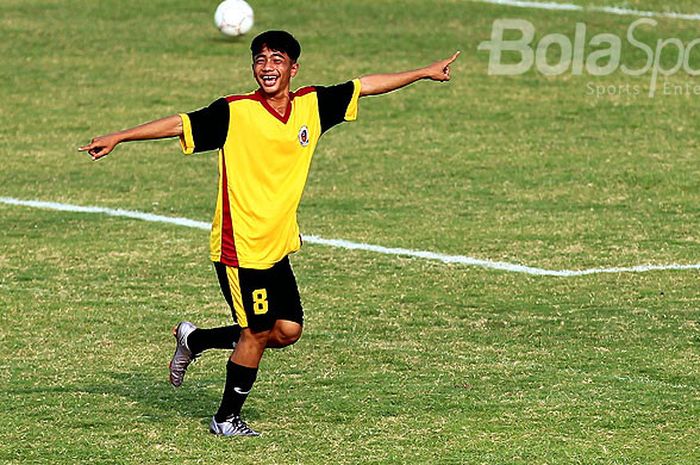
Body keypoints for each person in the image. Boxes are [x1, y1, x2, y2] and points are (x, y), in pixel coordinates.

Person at [79, 30, 459, 437]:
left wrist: (423, 72)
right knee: (257, 332)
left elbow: (366, 85)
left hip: (276, 245)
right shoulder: (235, 111)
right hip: (240, 247)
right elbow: (179, 123)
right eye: (259, 60)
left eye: (277, 59)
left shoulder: (312, 105)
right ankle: (224, 419)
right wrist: (119, 136)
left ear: (293, 68)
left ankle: (196, 340)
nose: (267, 67)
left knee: (286, 331)